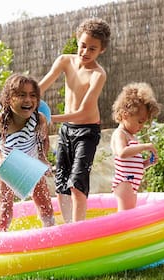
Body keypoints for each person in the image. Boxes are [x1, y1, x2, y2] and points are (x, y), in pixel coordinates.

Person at [39, 18, 111, 223]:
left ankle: (78, 230)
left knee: (77, 182)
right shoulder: (64, 61)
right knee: (61, 181)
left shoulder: (98, 74)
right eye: (83, 45)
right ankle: (68, 226)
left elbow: (81, 112)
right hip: (66, 130)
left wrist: (50, 118)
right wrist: (23, 100)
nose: (86, 52)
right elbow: (40, 88)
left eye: (93, 49)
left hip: (87, 131)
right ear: (77, 40)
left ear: (101, 51)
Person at [0, 73, 55, 231]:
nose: (28, 100)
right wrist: (0, 158)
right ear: (9, 98)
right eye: (21, 95)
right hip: (8, 167)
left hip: (31, 165)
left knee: (45, 206)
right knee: (4, 211)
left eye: (32, 95)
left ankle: (50, 236)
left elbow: (44, 140)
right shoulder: (1, 120)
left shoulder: (39, 119)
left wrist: (43, 158)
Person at [111, 82, 161, 211]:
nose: (141, 127)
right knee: (124, 215)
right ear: (125, 115)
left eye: (143, 123)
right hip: (124, 181)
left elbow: (133, 164)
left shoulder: (132, 137)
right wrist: (145, 146)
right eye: (139, 122)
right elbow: (122, 153)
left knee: (130, 212)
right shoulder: (120, 134)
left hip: (132, 182)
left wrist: (147, 163)